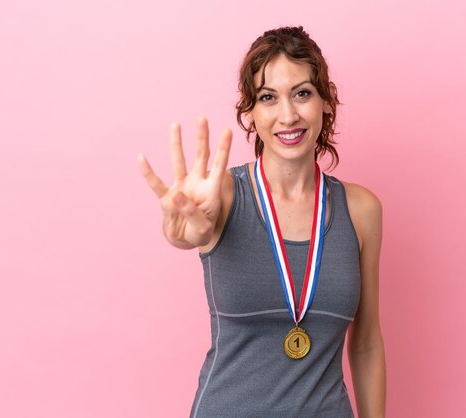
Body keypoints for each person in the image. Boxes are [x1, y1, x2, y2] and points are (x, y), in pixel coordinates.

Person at [138, 26, 386, 418]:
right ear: (250, 112)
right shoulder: (222, 194)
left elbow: (367, 340)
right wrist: (183, 234)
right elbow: (192, 229)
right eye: (268, 98)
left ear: (325, 100)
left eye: (302, 93)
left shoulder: (360, 210)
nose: (287, 115)